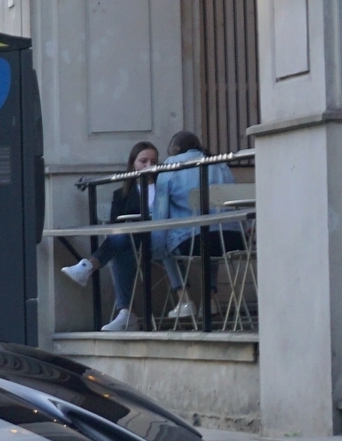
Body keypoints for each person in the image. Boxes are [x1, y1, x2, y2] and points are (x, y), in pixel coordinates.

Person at [61, 141, 159, 331]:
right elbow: (115, 225)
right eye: (143, 161)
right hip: (132, 243)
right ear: (133, 164)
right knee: (122, 246)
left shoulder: (165, 185)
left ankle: (88, 267)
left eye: (153, 161)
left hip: (159, 239)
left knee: (123, 238)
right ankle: (125, 314)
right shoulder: (122, 194)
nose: (149, 166)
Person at [150, 131, 237, 325]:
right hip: (233, 238)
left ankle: (184, 300)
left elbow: (160, 216)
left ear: (175, 149)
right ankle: (210, 298)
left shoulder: (171, 167)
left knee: (164, 239)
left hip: (194, 241)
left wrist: (156, 249)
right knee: (213, 229)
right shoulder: (219, 164)